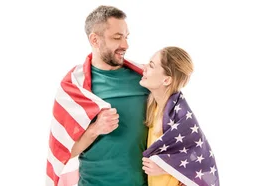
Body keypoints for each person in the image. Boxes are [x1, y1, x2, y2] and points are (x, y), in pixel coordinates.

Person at [46, 5, 149, 186]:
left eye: (126, 37)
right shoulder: (74, 87)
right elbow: (63, 151)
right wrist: (95, 129)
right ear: (95, 39)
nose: (125, 45)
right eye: (117, 38)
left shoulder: (145, 78)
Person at [139, 46, 220, 186]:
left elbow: (200, 159)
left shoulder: (182, 116)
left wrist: (166, 166)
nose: (144, 67)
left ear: (166, 80)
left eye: (151, 66)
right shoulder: (153, 107)